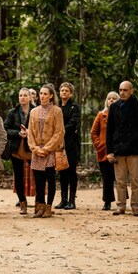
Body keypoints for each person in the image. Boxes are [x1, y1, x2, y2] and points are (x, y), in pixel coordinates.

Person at [106, 81, 138, 216]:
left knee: (135, 180)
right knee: (120, 180)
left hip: (134, 149)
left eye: (125, 90)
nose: (122, 92)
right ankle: (120, 206)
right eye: (120, 90)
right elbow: (109, 131)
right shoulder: (114, 107)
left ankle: (136, 206)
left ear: (132, 91)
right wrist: (109, 151)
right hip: (118, 149)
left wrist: (136, 136)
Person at [27, 84, 65, 218]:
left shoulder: (57, 111)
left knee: (50, 179)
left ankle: (49, 207)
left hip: (50, 151)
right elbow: (30, 132)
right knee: (39, 181)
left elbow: (59, 132)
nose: (42, 96)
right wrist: (35, 149)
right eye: (41, 94)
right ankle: (40, 206)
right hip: (37, 151)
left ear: (51, 96)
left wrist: (47, 149)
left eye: (45, 94)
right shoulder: (34, 111)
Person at [4, 88, 35, 214]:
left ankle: (40, 203)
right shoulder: (13, 112)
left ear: (29, 97)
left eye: (25, 95)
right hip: (16, 148)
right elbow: (5, 129)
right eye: (20, 95)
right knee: (18, 176)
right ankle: (22, 202)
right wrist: (18, 133)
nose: (22, 97)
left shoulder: (36, 111)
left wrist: (29, 133)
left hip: (32, 148)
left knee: (38, 176)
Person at [90, 91, 120, 211]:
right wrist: (99, 145)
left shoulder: (121, 115)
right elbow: (93, 132)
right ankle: (107, 202)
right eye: (109, 98)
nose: (111, 100)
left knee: (120, 178)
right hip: (104, 152)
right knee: (107, 178)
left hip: (118, 151)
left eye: (114, 98)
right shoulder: (100, 115)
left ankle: (122, 200)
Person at [55, 82, 81, 210]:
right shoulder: (57, 107)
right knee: (62, 172)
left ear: (70, 93)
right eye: (62, 90)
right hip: (59, 144)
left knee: (71, 172)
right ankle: (63, 199)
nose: (64, 92)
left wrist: (60, 132)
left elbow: (73, 123)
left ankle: (72, 200)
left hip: (71, 144)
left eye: (66, 91)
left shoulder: (75, 107)